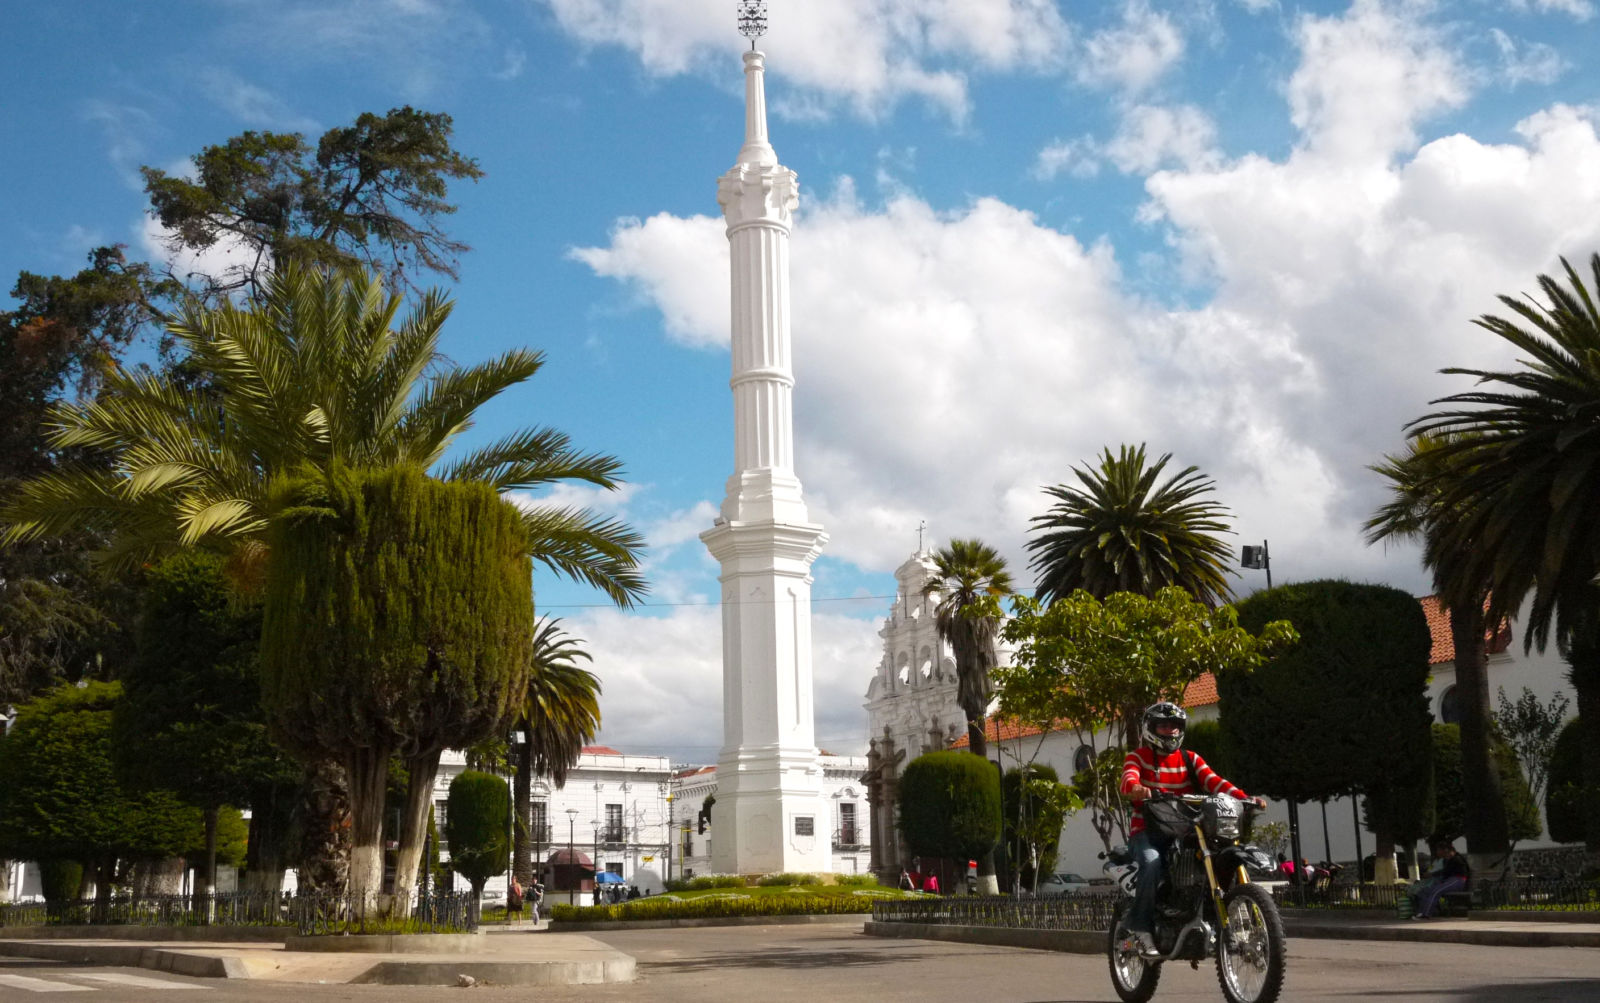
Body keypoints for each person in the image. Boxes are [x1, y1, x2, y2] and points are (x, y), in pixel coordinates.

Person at [1120, 701, 1265, 957]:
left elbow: (1214, 781)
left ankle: (1211, 912)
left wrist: (1244, 797)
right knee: (1152, 863)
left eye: (1174, 726)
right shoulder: (1137, 757)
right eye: (1163, 726)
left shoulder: (1190, 758)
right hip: (1147, 832)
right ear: (1151, 729)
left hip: (1186, 829)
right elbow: (1128, 780)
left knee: (1219, 853)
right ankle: (1140, 929)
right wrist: (1137, 788)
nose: (1170, 731)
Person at [1410, 841, 1469, 919]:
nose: (1437, 852)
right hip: (1448, 881)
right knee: (1427, 891)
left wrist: (1432, 874)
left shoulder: (1457, 859)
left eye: (1439, 850)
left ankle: (1426, 914)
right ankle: (1421, 912)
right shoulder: (1446, 860)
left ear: (1446, 850)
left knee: (1436, 891)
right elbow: (1445, 873)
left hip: (1458, 880)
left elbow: (1447, 871)